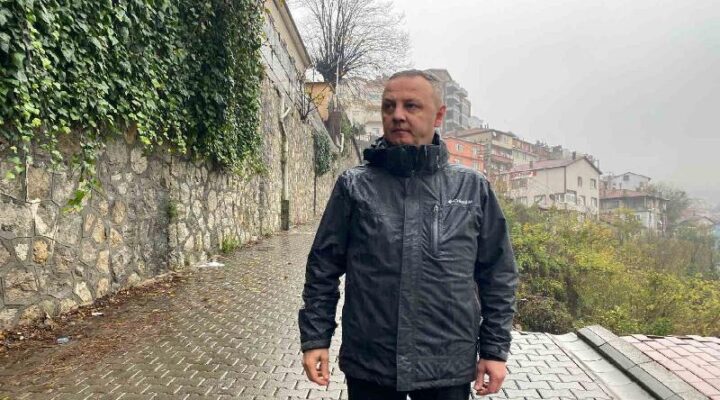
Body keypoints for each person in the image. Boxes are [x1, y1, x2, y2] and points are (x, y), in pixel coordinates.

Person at [298, 69, 518, 399]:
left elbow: (498, 274)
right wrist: (316, 338)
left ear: (439, 115)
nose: (397, 115)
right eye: (389, 106)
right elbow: (323, 267)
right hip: (371, 363)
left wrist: (494, 350)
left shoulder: (472, 188)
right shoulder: (354, 186)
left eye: (411, 106)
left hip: (446, 366)